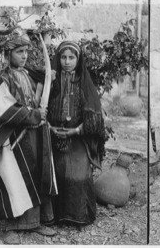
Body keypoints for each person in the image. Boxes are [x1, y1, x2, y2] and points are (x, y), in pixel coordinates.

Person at [0, 27, 58, 244]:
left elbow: (37, 95)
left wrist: (40, 105)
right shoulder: (2, 80)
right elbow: (3, 108)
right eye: (19, 52)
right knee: (13, 179)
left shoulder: (27, 74)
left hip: (32, 136)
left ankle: (33, 223)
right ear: (8, 54)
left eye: (26, 51)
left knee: (34, 175)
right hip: (12, 140)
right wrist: (33, 114)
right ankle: (8, 226)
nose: (24, 56)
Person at [47, 40, 107, 226]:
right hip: (53, 138)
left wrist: (75, 130)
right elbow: (40, 107)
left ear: (78, 59)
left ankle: (79, 216)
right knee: (56, 173)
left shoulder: (84, 83)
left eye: (71, 57)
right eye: (63, 57)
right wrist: (49, 128)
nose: (67, 61)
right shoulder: (51, 81)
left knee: (78, 175)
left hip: (78, 140)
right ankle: (55, 216)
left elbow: (94, 120)